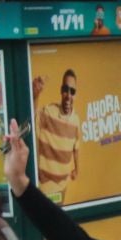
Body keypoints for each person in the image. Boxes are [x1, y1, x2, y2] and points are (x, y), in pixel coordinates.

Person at [32, 69, 86, 202]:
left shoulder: (76, 121)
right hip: (44, 186)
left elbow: (76, 148)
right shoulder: (49, 112)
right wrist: (35, 95)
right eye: (65, 89)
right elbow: (32, 119)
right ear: (61, 91)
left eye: (72, 91)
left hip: (62, 187)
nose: (68, 95)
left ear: (75, 94)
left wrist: (77, 170)